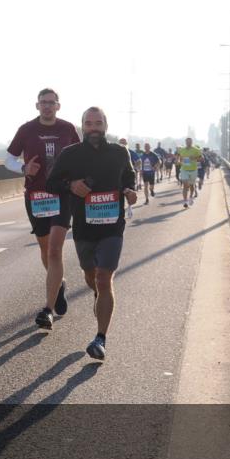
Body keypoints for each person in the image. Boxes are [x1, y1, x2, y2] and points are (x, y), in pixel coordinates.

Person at [45, 107, 137, 361]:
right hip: (84, 229)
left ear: (106, 125)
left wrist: (130, 191)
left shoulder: (120, 153)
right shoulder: (70, 154)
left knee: (105, 278)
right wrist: (70, 185)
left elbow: (130, 177)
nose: (93, 128)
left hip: (112, 227)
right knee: (91, 277)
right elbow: (51, 182)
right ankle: (97, 293)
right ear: (82, 126)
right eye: (89, 123)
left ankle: (100, 339)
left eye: (98, 123)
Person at [4, 88, 81, 330]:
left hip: (62, 195)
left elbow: (81, 156)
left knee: (55, 250)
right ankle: (59, 284)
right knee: (45, 248)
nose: (47, 106)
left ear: (58, 106)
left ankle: (48, 307)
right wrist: (24, 169)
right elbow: (8, 159)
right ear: (37, 106)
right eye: (43, 103)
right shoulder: (26, 129)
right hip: (36, 197)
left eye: (51, 103)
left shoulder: (68, 129)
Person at [175, 137, 203, 208]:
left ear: (192, 142)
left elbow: (201, 159)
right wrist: (177, 160)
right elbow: (178, 156)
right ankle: (185, 201)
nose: (188, 143)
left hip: (193, 170)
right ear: (185, 142)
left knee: (191, 186)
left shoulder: (196, 150)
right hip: (184, 169)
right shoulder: (182, 150)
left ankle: (190, 197)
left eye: (190, 142)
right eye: (187, 142)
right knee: (185, 185)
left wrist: (194, 158)